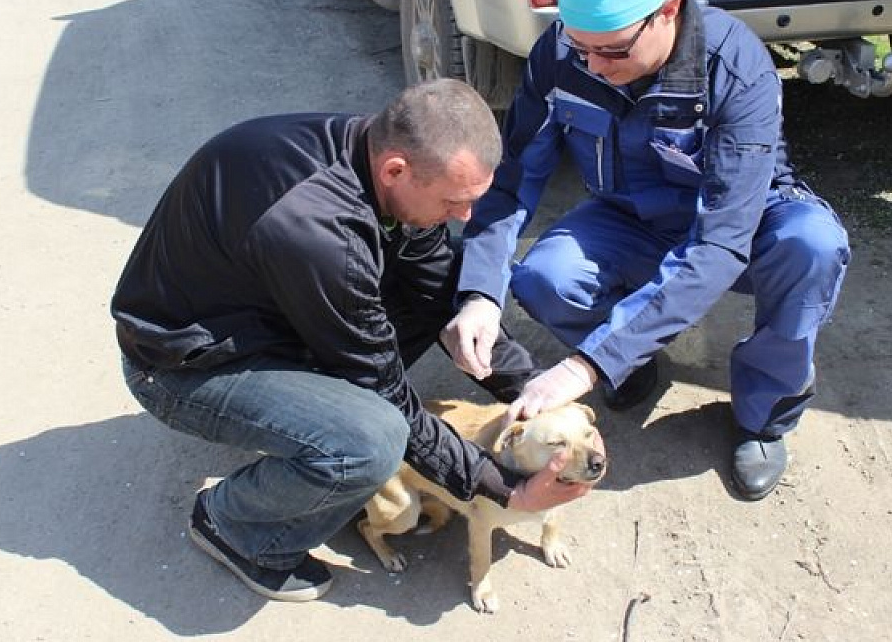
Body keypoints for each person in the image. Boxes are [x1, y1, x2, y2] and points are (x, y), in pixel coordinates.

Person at [111, 79, 596, 603]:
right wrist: (503, 488)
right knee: (374, 439)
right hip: (179, 365)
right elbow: (389, 394)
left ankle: (313, 433)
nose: (466, 217)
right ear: (396, 170)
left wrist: (532, 393)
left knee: (434, 298)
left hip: (270, 313)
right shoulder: (318, 234)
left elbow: (435, 283)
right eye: (455, 201)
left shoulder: (379, 152)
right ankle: (234, 526)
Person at [441, 0, 850, 501]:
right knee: (545, 277)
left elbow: (718, 242)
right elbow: (510, 182)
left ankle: (766, 410)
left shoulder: (736, 69)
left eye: (610, 50)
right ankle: (629, 358)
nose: (593, 65)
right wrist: (479, 291)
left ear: (668, 10)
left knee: (812, 245)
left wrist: (583, 367)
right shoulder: (563, 54)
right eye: (580, 45)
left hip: (742, 226)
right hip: (632, 218)